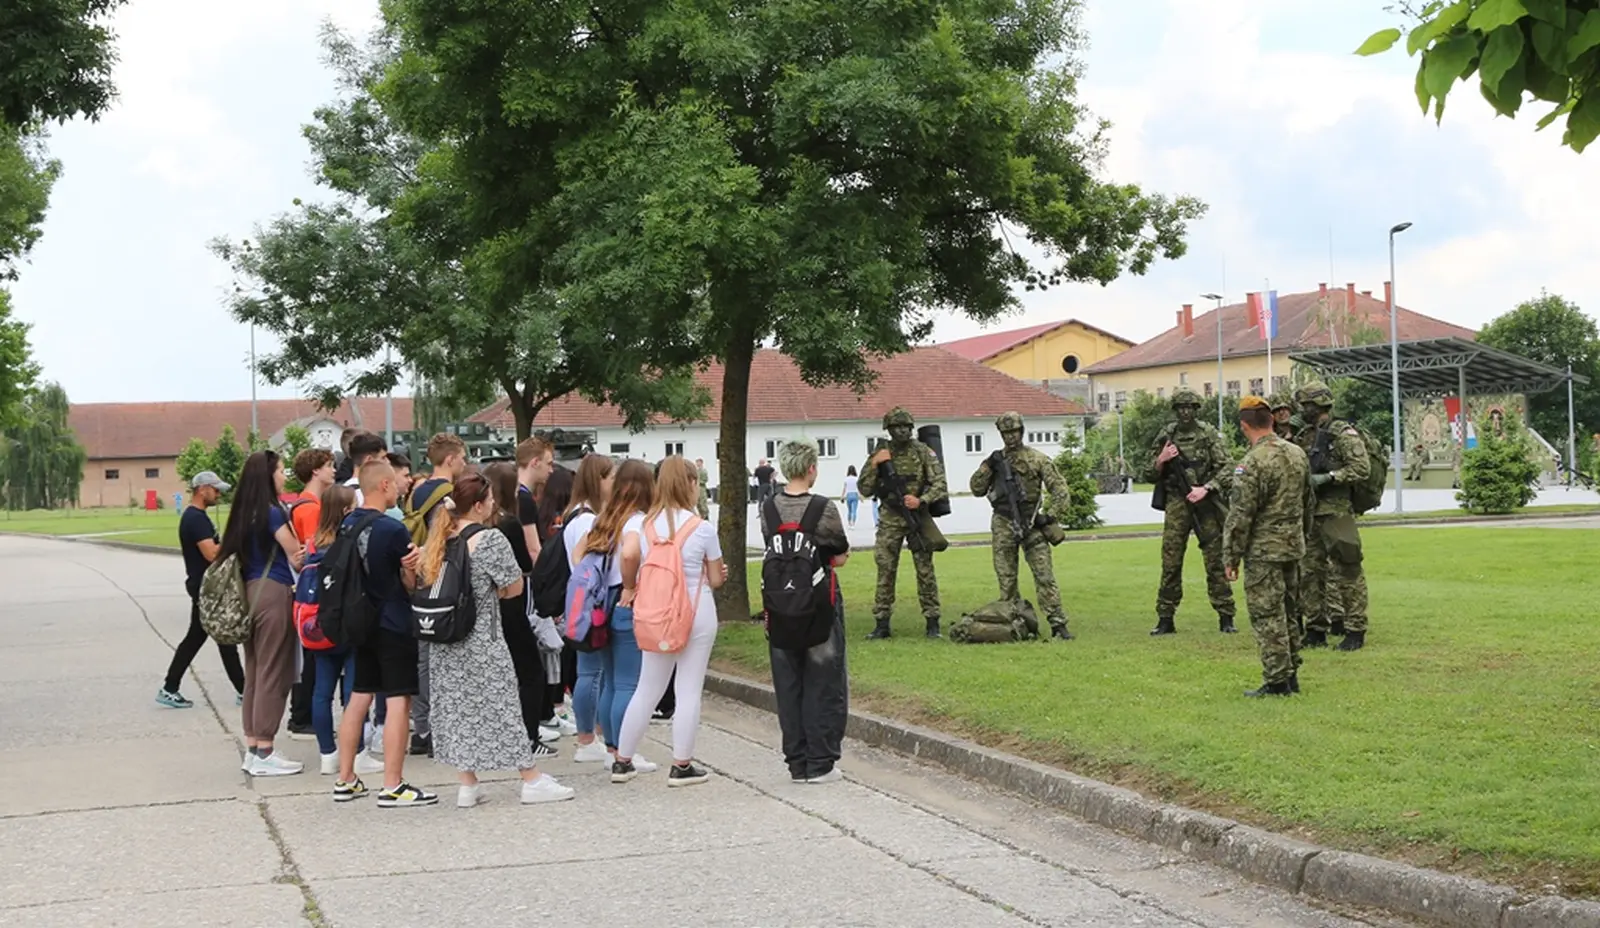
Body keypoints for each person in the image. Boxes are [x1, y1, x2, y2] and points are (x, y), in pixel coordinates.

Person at [419, 474, 575, 807]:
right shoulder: (490, 539)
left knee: (458, 708)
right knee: (503, 705)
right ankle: (530, 777)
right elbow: (513, 589)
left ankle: (467, 783)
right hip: (481, 638)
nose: (493, 505)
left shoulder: (441, 537)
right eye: (489, 500)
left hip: (445, 638)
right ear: (477, 505)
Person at [612, 456, 728, 786]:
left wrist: (630, 586)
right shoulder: (701, 528)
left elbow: (629, 555)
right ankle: (681, 764)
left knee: (647, 687)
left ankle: (623, 759)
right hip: (695, 610)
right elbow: (716, 579)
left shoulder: (644, 525)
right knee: (688, 688)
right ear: (690, 484)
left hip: (656, 611)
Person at [333, 459, 433, 806]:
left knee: (359, 695)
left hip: (360, 621)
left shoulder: (348, 523)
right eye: (396, 483)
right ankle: (393, 784)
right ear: (384, 486)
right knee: (397, 701)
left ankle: (345, 777)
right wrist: (413, 567)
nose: (401, 488)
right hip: (392, 620)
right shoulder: (393, 530)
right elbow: (409, 583)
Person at [766, 440, 850, 783]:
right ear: (811, 468)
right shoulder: (823, 508)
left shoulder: (769, 508)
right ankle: (821, 761)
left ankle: (797, 761)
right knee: (824, 680)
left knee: (789, 682)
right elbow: (839, 555)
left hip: (779, 605)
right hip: (819, 603)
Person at [575, 459, 663, 774]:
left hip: (601, 603)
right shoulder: (638, 522)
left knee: (611, 680)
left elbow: (580, 555)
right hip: (626, 602)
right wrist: (629, 585)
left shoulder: (604, 519)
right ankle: (625, 751)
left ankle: (613, 746)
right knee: (628, 681)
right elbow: (630, 553)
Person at [1223, 397, 1315, 697]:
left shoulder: (1252, 462)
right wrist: (1303, 535)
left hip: (1264, 551)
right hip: (1293, 546)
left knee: (1267, 615)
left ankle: (1277, 681)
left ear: (1243, 425)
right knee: (1289, 612)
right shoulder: (1297, 453)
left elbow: (1240, 515)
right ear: (1271, 421)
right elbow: (1308, 502)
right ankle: (1292, 675)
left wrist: (1231, 557)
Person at [222, 451, 306, 776]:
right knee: (274, 671)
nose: (284, 476)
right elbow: (295, 556)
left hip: (249, 591)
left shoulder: (242, 512)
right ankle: (267, 749)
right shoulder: (273, 513)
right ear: (268, 476)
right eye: (281, 471)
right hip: (274, 591)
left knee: (255, 672)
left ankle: (254, 748)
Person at [304, 484, 386, 777]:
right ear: (345, 509)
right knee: (356, 690)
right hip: (349, 622)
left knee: (321, 692)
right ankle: (358, 752)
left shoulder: (313, 544)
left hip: (319, 624)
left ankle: (327, 753)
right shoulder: (350, 541)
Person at [969, 412, 1074, 640]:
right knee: (1006, 579)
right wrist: (988, 466)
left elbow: (1061, 491)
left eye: (1014, 432)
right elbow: (976, 488)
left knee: (1044, 575)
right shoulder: (995, 461)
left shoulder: (1037, 459)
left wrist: (1049, 516)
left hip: (1031, 522)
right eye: (1006, 433)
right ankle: (1012, 624)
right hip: (1003, 523)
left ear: (1022, 431)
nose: (1011, 437)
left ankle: (1058, 624)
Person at [1143, 388, 1237, 636]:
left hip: (1205, 503)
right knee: (1171, 561)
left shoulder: (1208, 434)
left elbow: (1227, 468)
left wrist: (1206, 488)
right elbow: (1148, 473)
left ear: (1196, 410)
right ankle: (1165, 617)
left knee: (1215, 559)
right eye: (1181, 408)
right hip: (1177, 502)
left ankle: (1226, 616)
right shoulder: (1167, 434)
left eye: (1190, 408)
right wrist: (1162, 459)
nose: (1185, 412)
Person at [484, 462, 557, 757]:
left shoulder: (471, 526)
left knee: (497, 674)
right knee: (530, 671)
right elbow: (523, 566)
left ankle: (500, 733)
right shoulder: (508, 524)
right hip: (510, 604)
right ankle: (527, 737)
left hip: (483, 610)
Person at [1293, 381, 1372, 652]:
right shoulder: (1305, 435)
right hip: (1310, 513)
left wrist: (1329, 477)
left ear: (1319, 405)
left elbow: (1362, 468)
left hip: (1336, 511)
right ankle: (1315, 628)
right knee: (1309, 572)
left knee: (1347, 570)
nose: (1302, 409)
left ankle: (1354, 629)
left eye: (1306, 405)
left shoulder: (1343, 434)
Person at [859, 407, 948, 640]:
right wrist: (874, 465)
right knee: (886, 571)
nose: (902, 431)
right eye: (896, 427)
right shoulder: (881, 453)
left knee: (925, 571)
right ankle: (882, 623)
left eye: (906, 427)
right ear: (888, 430)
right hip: (890, 517)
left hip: (917, 517)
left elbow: (940, 484)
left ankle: (932, 622)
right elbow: (864, 489)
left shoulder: (922, 452)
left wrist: (921, 500)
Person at [157, 471, 244, 708]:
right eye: (215, 490)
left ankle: (170, 686)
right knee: (220, 636)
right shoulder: (195, 519)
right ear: (202, 489)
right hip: (205, 588)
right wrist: (233, 540)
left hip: (204, 586)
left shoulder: (198, 517)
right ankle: (243, 690)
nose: (218, 494)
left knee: (200, 638)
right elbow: (212, 553)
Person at [406, 432, 469, 755]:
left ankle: (420, 727)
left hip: (417, 574)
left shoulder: (416, 492)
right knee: (438, 656)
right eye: (461, 457)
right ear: (449, 459)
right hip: (441, 575)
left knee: (421, 656)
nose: (464, 463)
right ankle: (436, 727)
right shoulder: (448, 494)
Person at [563, 454, 616, 763]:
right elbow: (582, 561)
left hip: (580, 600)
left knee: (590, 671)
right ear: (599, 480)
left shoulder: (576, 514)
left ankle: (590, 733)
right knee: (592, 672)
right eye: (610, 479)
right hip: (590, 601)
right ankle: (587, 737)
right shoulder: (588, 520)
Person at [286, 448, 336, 739]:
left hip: (306, 586)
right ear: (315, 471)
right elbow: (316, 548)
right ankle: (302, 715)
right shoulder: (311, 507)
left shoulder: (304, 504)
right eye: (328, 465)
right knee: (314, 654)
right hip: (313, 588)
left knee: (311, 655)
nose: (333, 470)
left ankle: (301, 714)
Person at [533, 466, 578, 735]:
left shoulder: (542, 513)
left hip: (546, 591)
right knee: (555, 650)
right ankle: (555, 704)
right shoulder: (561, 519)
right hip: (556, 592)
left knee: (550, 651)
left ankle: (555, 704)